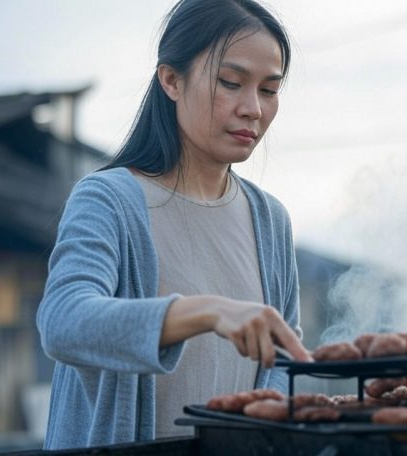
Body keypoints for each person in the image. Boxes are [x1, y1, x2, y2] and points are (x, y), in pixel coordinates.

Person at [36, 0, 311, 450]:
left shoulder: (270, 219)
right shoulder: (109, 199)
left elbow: (283, 356)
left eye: (269, 90)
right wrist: (206, 312)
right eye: (230, 82)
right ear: (171, 80)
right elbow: (63, 320)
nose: (252, 109)